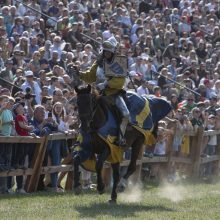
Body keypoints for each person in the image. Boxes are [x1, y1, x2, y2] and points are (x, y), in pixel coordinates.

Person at [78, 36, 129, 146]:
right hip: (97, 94)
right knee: (84, 109)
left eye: (109, 52)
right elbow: (90, 77)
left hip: (113, 94)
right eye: (105, 51)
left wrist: (105, 84)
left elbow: (120, 82)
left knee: (125, 114)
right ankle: (80, 137)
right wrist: (79, 74)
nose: (107, 54)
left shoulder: (119, 63)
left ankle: (121, 138)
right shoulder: (98, 63)